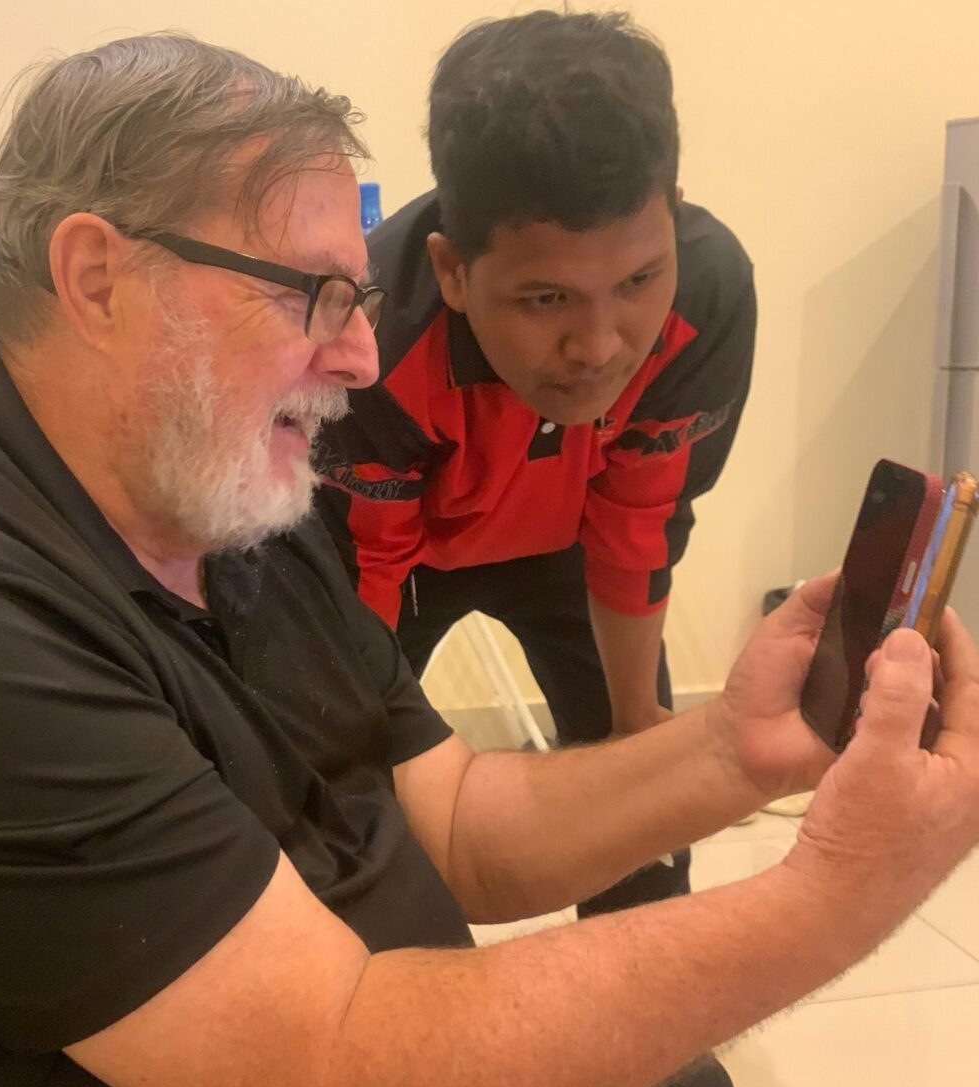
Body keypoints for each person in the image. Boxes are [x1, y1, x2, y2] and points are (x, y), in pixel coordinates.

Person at [0, 31, 978, 1087]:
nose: (361, 356)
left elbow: (449, 819)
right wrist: (835, 894)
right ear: (99, 279)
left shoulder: (224, 507)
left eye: (358, 296)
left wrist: (729, 748)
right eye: (314, 297)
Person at [315, 10, 757, 912]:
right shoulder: (372, 337)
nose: (599, 346)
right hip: (402, 559)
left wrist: (637, 736)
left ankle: (641, 995)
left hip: (576, 544)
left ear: (672, 218)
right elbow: (369, 567)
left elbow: (641, 520)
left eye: (638, 281)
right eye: (546, 298)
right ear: (452, 272)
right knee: (346, 798)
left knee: (641, 802)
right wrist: (359, 764)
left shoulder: (710, 293)